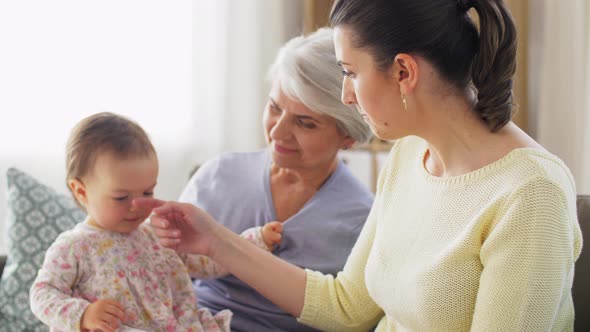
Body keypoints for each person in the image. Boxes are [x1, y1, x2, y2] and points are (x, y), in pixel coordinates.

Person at [140, 0, 583, 331]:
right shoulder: (410, 155)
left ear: (404, 72)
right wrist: (215, 241)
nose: (347, 96)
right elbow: (348, 306)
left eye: (350, 72)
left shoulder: (530, 194)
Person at [177, 27, 374, 331]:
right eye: (274, 108)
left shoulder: (362, 219)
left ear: (348, 136)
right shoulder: (219, 176)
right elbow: (167, 272)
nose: (277, 132)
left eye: (305, 123)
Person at [29, 112, 283, 332]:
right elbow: (42, 294)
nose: (137, 205)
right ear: (81, 191)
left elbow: (207, 261)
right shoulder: (74, 247)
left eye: (147, 193)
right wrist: (83, 314)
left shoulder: (158, 234)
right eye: (121, 197)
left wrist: (255, 241)